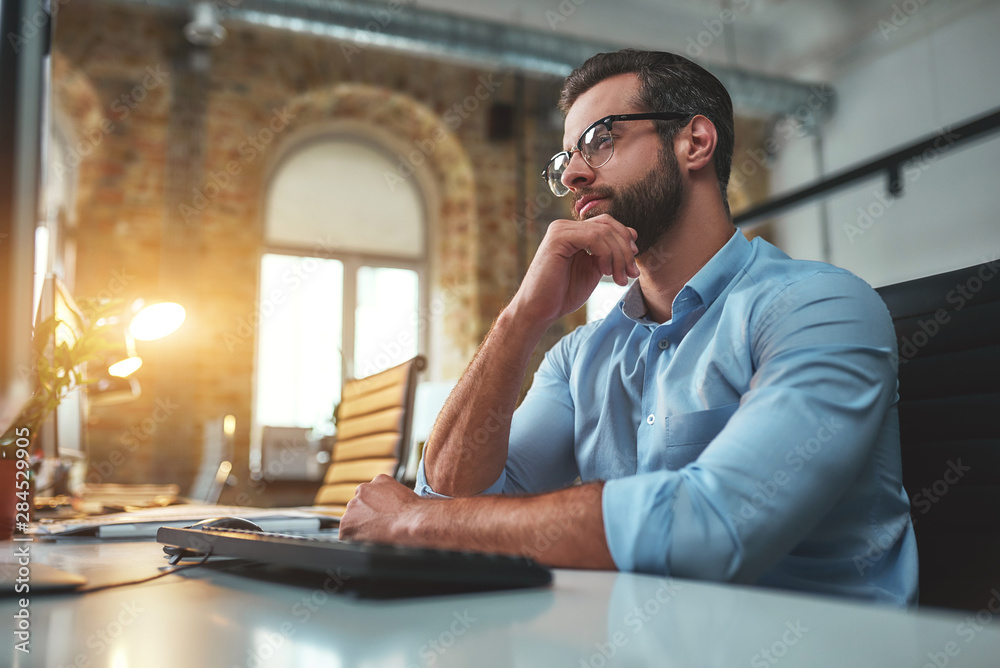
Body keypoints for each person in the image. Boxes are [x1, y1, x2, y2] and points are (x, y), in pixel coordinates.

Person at [340, 49, 918, 606]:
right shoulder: (578, 356)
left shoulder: (818, 306)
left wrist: (415, 520)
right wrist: (523, 315)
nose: (573, 176)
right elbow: (457, 497)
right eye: (565, 159)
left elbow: (710, 528)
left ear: (694, 142)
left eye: (601, 139)